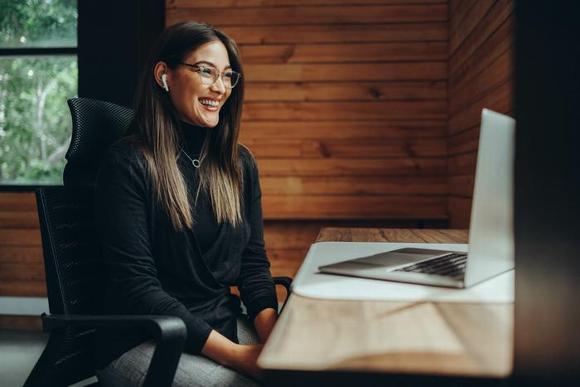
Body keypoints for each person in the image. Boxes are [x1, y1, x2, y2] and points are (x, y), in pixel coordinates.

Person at [94, 21, 278, 387]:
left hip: (219, 323)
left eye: (228, 75)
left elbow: (253, 265)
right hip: (146, 337)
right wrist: (240, 356)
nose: (220, 87)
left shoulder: (238, 164)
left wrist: (274, 339)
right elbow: (139, 289)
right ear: (165, 75)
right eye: (205, 71)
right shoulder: (128, 162)